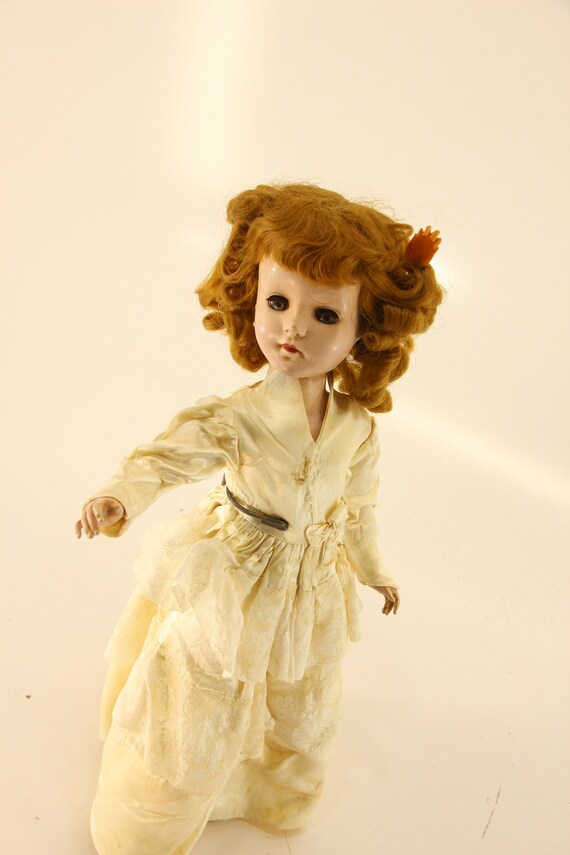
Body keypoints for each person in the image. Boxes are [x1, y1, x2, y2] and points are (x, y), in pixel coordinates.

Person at [75, 182, 443, 855]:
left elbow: (357, 508)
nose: (293, 328)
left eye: (324, 314)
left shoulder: (356, 429)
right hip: (234, 572)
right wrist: (120, 496)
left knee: (297, 691)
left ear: (365, 329)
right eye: (278, 302)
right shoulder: (238, 416)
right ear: (251, 298)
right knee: (199, 692)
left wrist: (373, 569)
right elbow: (169, 456)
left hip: (309, 584)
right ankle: (146, 822)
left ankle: (263, 791)